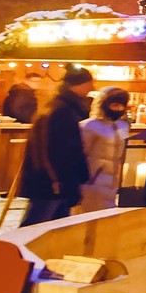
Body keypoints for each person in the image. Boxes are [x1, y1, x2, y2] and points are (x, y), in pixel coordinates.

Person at [19, 68, 95, 225]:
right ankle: (15, 250)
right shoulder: (62, 111)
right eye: (89, 84)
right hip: (52, 181)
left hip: (53, 179)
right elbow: (62, 150)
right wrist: (65, 181)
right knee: (36, 226)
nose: (92, 88)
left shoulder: (60, 107)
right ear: (78, 85)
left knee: (51, 227)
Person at [77, 87, 132, 213]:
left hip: (113, 182)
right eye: (115, 105)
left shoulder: (122, 126)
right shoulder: (89, 126)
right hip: (92, 182)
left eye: (121, 106)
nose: (118, 109)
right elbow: (80, 156)